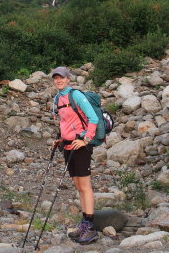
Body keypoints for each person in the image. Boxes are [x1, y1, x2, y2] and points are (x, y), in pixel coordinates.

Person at [50, 66, 99, 244]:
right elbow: (65, 122)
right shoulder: (57, 98)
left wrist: (86, 140)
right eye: (55, 78)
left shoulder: (76, 95)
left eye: (61, 78)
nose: (58, 80)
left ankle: (91, 227)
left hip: (81, 146)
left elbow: (93, 118)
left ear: (68, 79)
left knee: (85, 185)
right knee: (78, 185)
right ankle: (84, 222)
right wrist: (60, 139)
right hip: (68, 145)